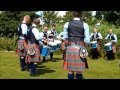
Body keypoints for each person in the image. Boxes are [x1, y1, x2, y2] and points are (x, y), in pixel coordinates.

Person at [63, 11, 90, 79]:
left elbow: (65, 38)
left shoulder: (67, 24)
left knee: (70, 70)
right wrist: (86, 46)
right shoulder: (85, 24)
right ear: (80, 15)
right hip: (81, 47)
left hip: (70, 46)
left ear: (73, 15)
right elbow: (87, 40)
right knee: (79, 70)